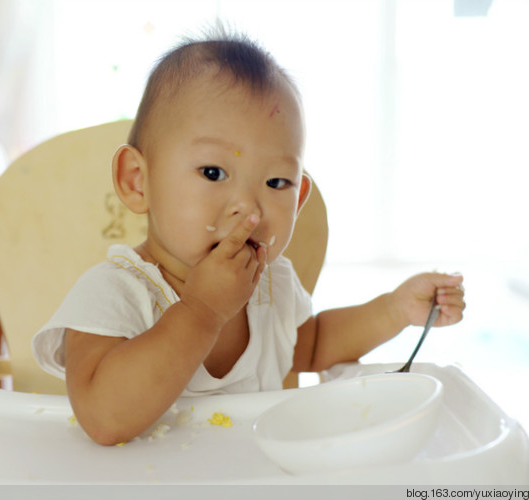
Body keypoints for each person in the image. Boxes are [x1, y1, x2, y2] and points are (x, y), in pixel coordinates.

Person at [32, 31, 465, 446]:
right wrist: (203, 311)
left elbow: (311, 346)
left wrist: (394, 309)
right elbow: (104, 419)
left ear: (299, 200)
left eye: (277, 182)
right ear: (138, 182)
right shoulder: (113, 294)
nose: (250, 209)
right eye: (213, 173)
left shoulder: (271, 284)